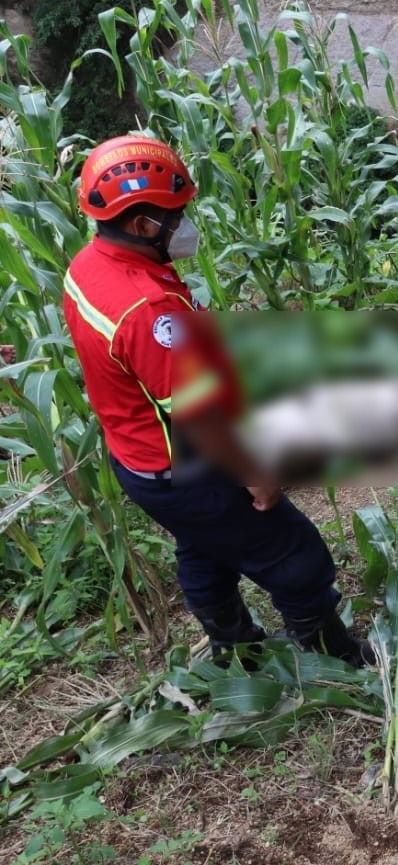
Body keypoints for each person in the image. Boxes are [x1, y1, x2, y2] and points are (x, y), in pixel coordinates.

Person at [61, 135, 371, 666]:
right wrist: (255, 472)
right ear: (140, 225)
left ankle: (234, 648)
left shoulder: (90, 266)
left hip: (139, 458)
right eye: (174, 215)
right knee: (293, 553)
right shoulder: (147, 307)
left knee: (204, 546)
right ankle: (332, 655)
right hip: (183, 463)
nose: (185, 224)